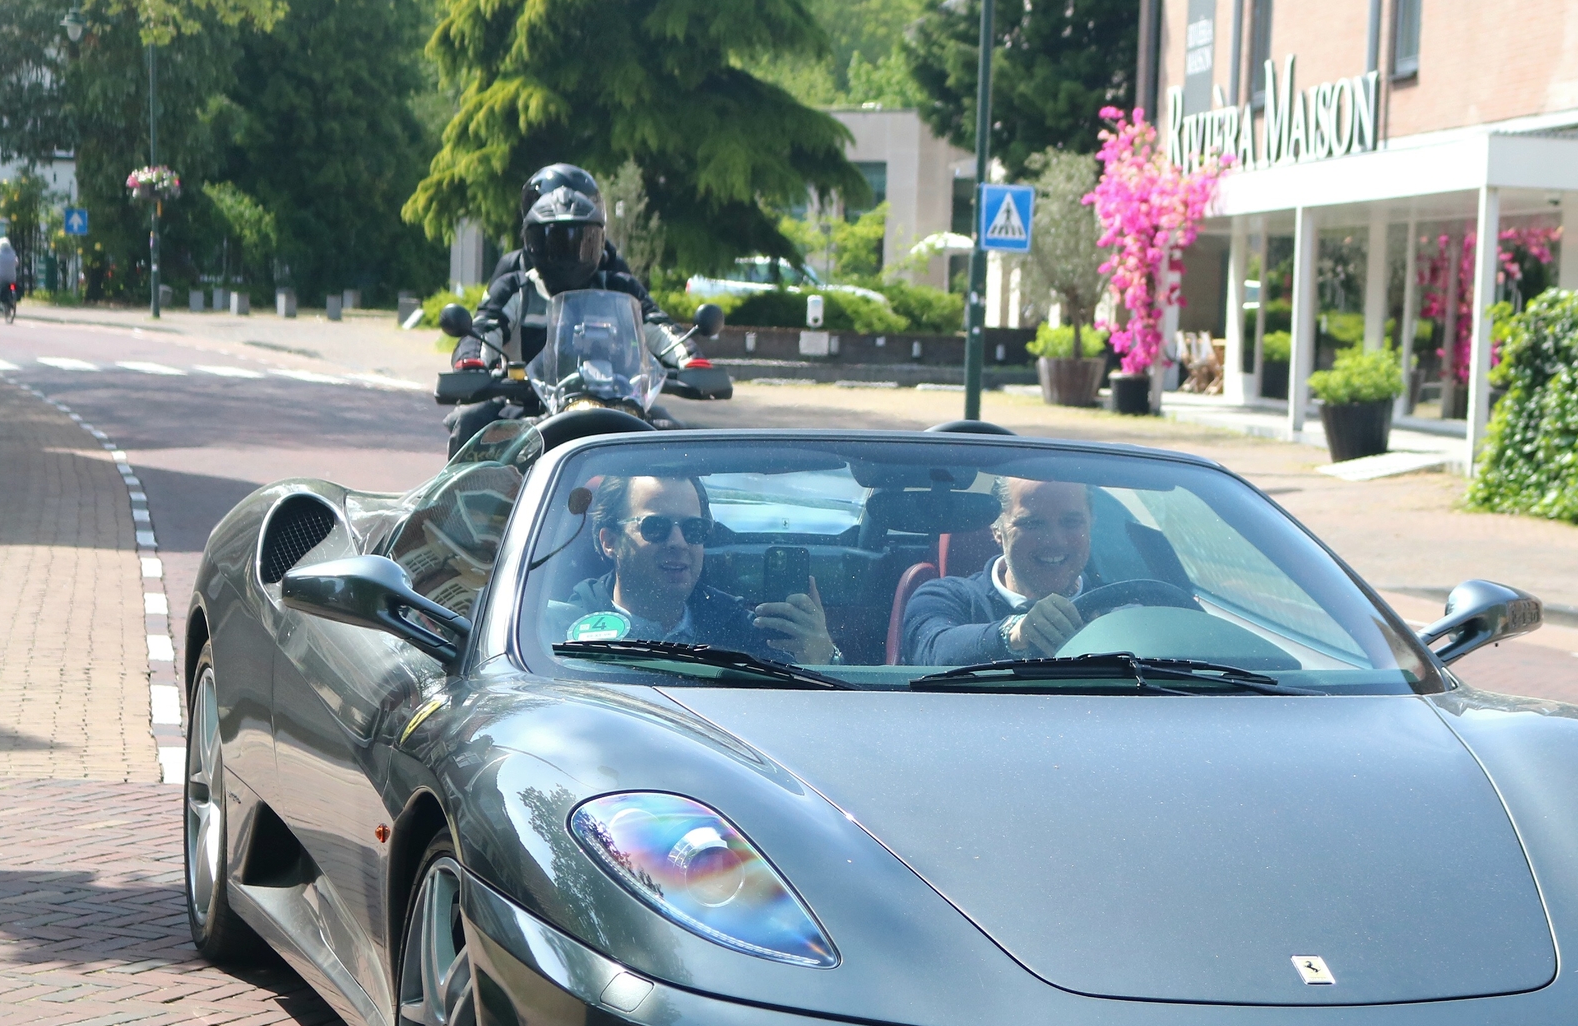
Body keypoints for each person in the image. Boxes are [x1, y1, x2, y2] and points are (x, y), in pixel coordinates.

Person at [446, 163, 663, 454]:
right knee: (469, 421)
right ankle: (463, 500)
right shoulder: (516, 284)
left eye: (580, 239)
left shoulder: (619, 285)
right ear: (531, 237)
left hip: (618, 403)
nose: (568, 252)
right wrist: (471, 362)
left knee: (676, 436)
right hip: (525, 402)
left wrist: (693, 363)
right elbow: (485, 326)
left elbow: (658, 325)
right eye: (554, 240)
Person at [554, 474, 839, 665]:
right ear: (610, 541)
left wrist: (826, 658)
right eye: (655, 527)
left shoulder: (744, 631)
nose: (678, 542)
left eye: (694, 529)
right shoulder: (559, 634)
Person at [898, 478, 1102, 667]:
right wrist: (1013, 633)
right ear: (997, 529)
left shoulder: (1118, 607)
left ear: (1091, 522)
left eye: (1071, 522)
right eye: (1032, 523)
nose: (1055, 541)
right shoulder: (945, 596)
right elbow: (932, 649)